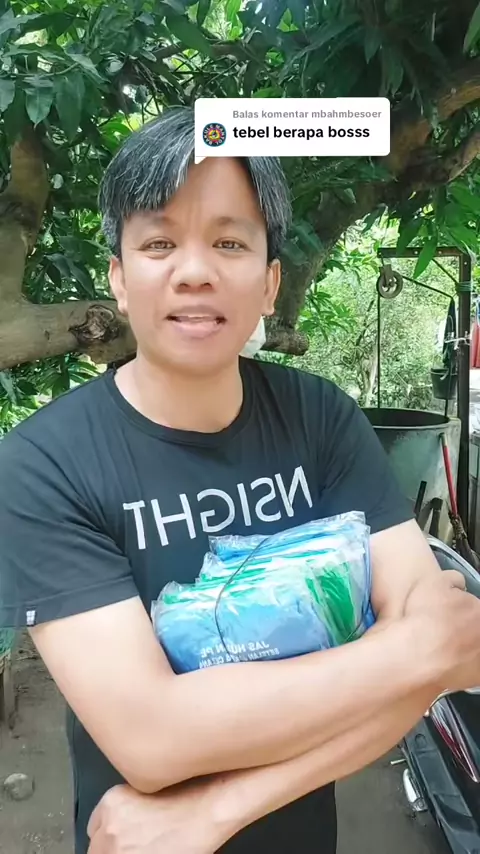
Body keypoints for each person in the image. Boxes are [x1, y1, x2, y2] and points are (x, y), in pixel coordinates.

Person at [1, 105, 480, 854]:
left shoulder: (320, 419)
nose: (195, 271)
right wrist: (407, 653)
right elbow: (152, 739)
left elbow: (452, 653)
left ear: (269, 283)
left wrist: (217, 811)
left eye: (229, 242)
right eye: (159, 243)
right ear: (119, 280)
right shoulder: (45, 465)